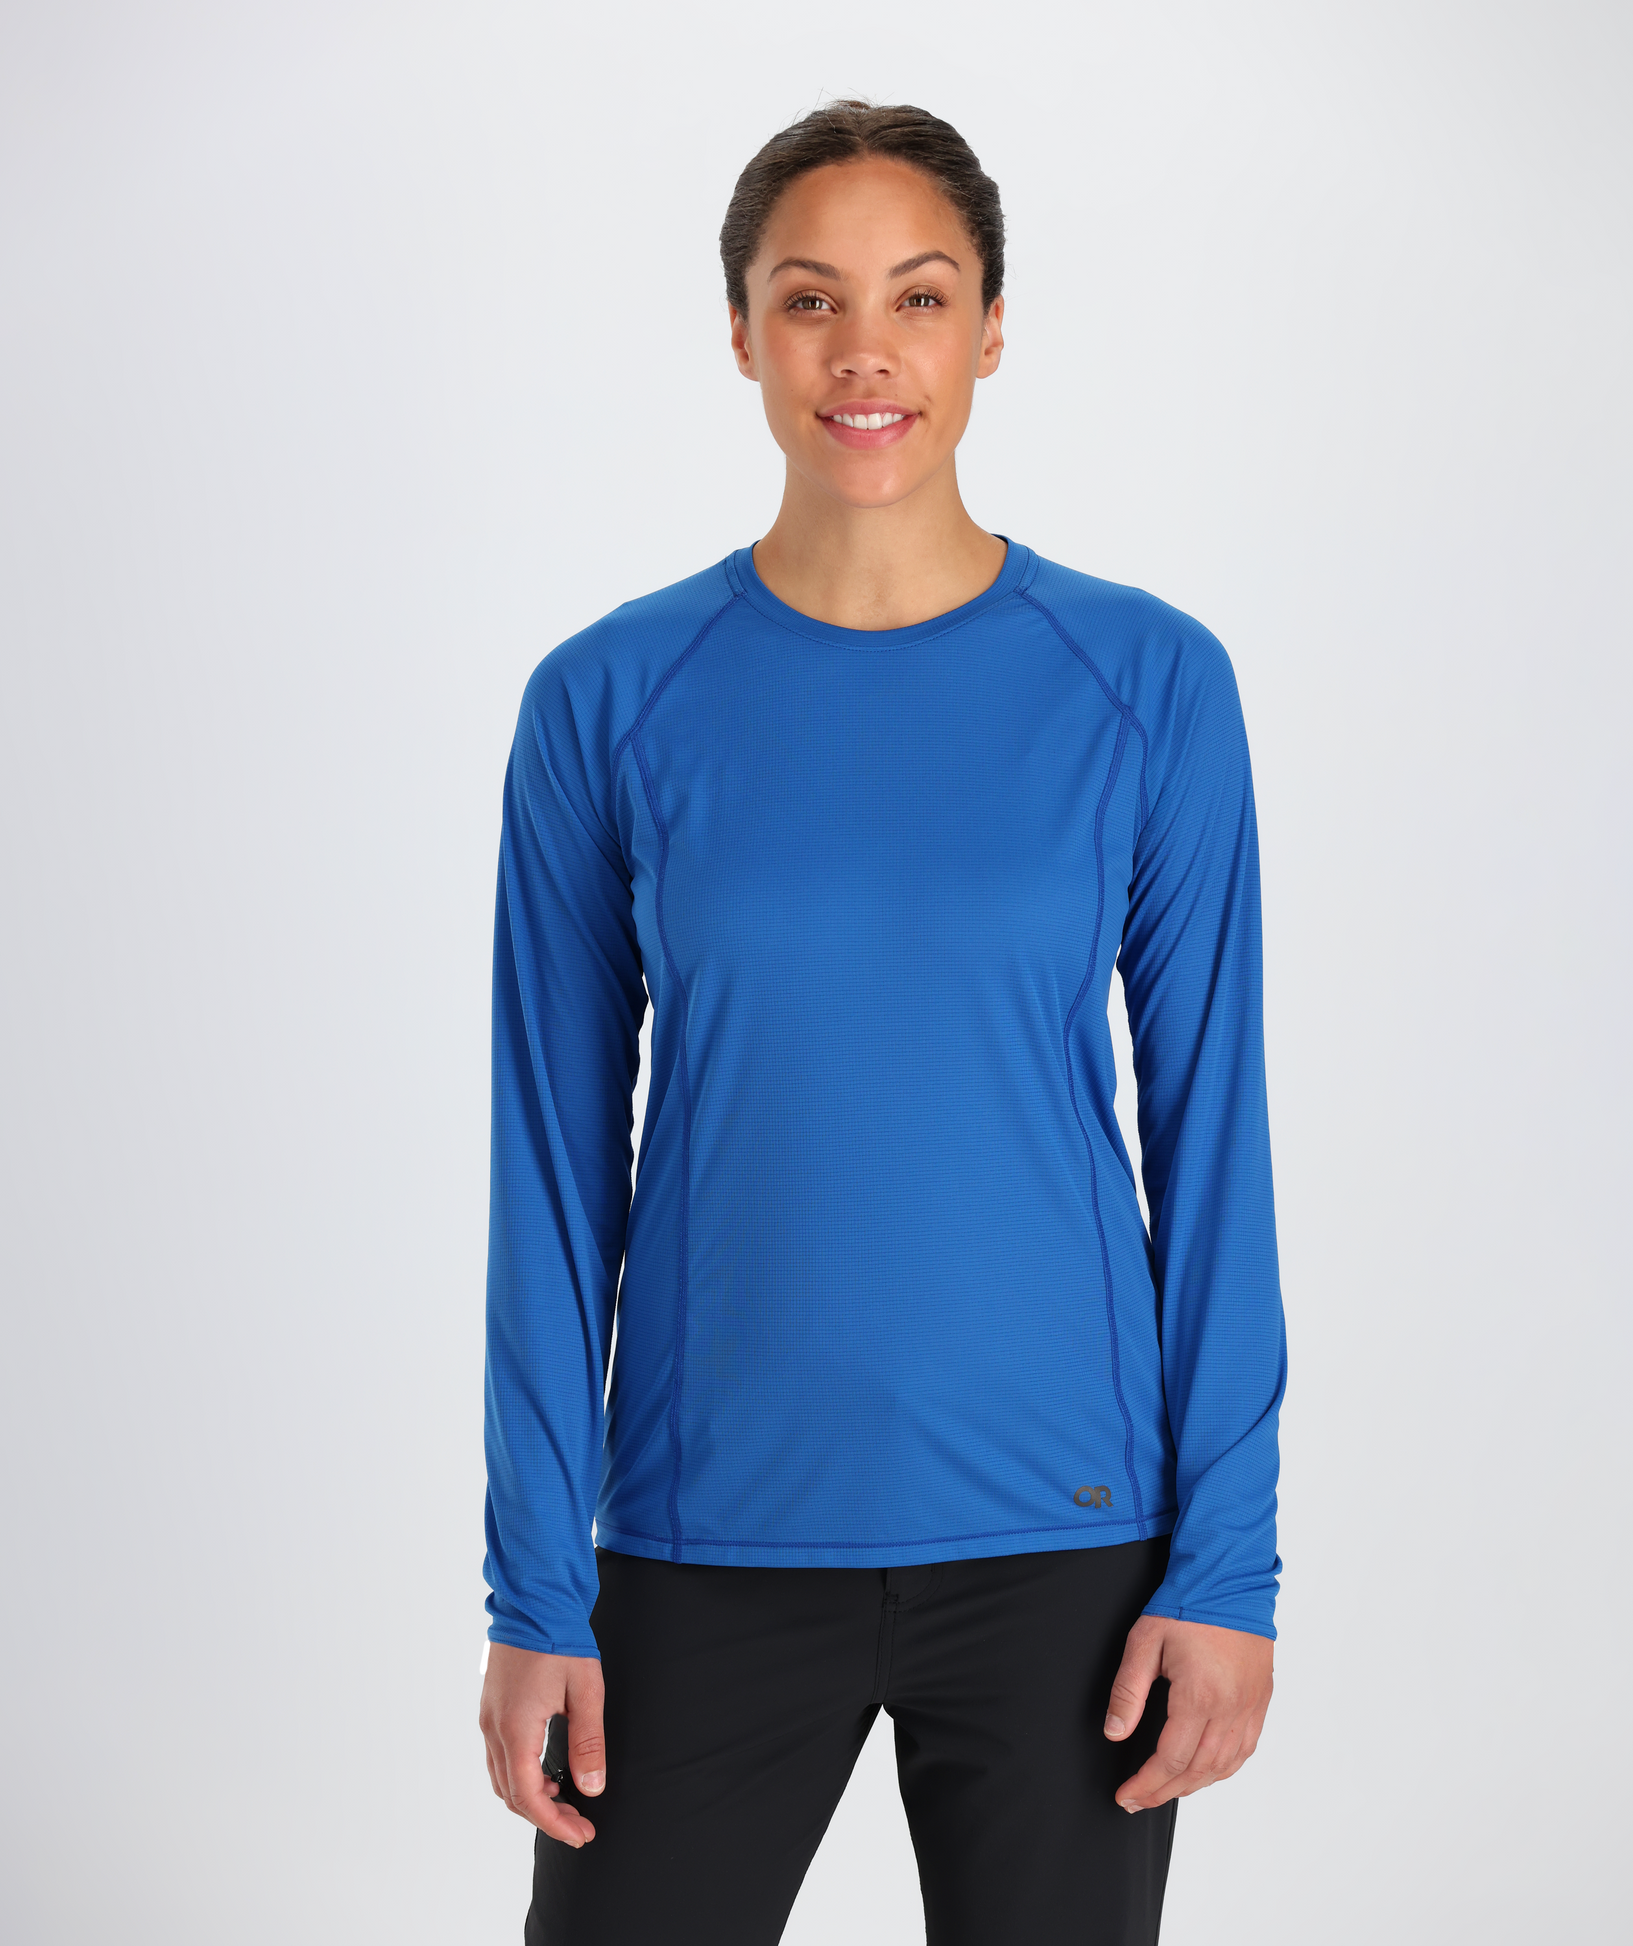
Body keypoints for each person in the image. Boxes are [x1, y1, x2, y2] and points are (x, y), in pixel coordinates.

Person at [476, 99, 1287, 1946]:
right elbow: (550, 1174)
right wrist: (534, 1587)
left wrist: (1227, 1562)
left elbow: (1213, 1140)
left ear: (990, 329)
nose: (863, 351)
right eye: (808, 299)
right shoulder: (608, 700)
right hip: (700, 1537)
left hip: (1068, 1551)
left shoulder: (1146, 684)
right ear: (741, 333)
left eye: (917, 298)